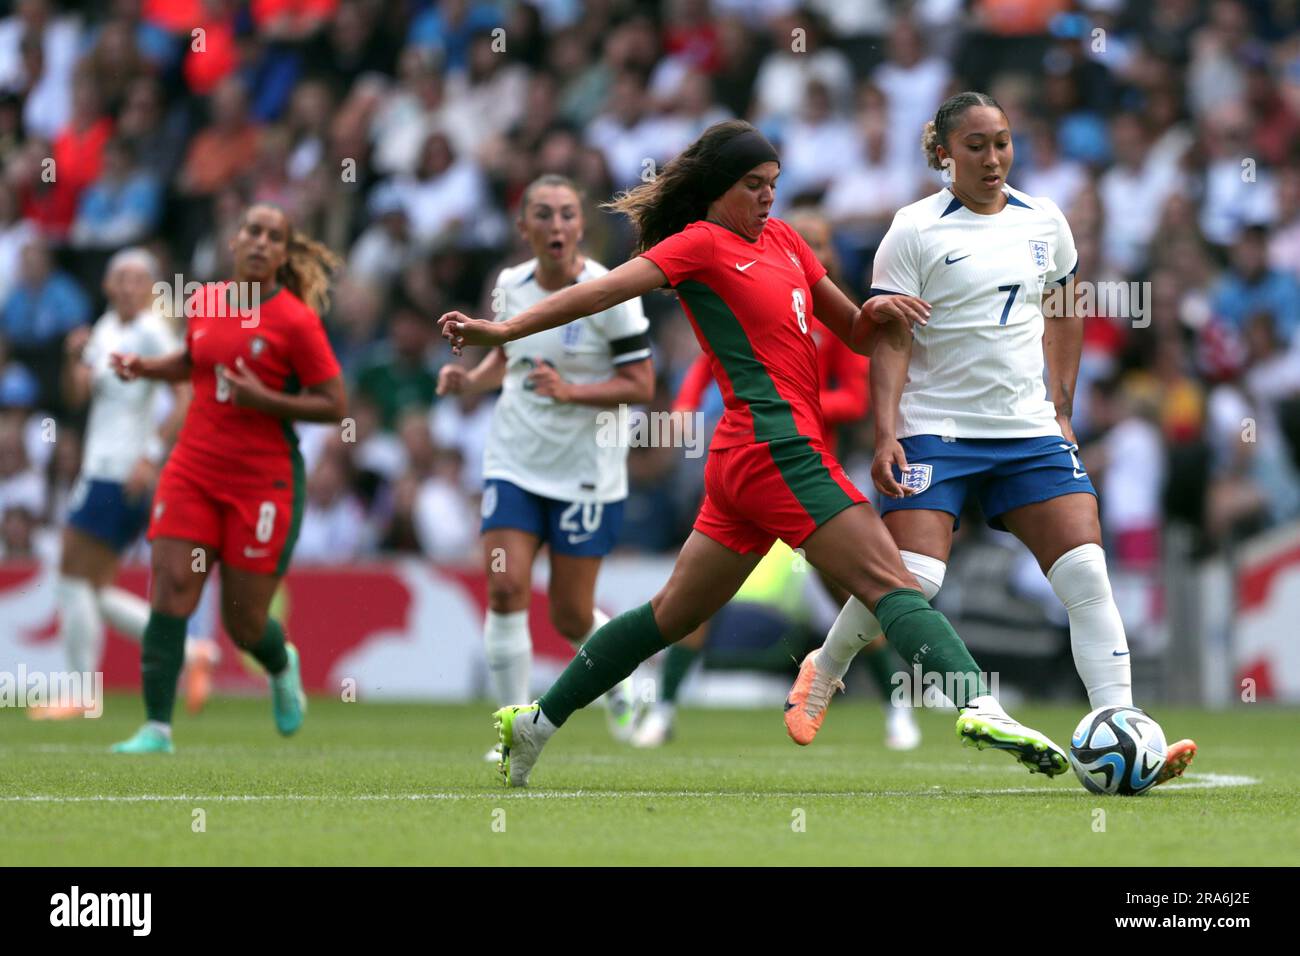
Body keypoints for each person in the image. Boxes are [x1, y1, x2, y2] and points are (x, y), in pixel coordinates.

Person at [441, 120, 1068, 787]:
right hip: (777, 449)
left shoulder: (787, 240)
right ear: (717, 188)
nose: (769, 198)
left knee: (669, 617)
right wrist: (503, 328)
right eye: (754, 186)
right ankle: (982, 705)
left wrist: (883, 309)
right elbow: (599, 290)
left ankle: (534, 723)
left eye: (774, 184)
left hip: (750, 457)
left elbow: (854, 332)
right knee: (891, 583)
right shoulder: (699, 245)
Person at [804, 92, 1196, 785]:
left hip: (1026, 430)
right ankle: (825, 667)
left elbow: (1065, 304)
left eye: (1003, 143)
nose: (993, 158)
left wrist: (1064, 407)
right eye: (977, 145)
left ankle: (1127, 732)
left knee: (1085, 575)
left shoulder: (1044, 220)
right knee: (916, 579)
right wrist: (886, 431)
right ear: (943, 154)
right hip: (937, 430)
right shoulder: (913, 230)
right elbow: (890, 340)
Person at [633, 207, 921, 751]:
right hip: (754, 475)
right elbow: (703, 363)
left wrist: (796, 405)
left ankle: (897, 712)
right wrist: (688, 404)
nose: (808, 249)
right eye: (803, 239)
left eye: (820, 242)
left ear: (828, 255)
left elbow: (856, 398)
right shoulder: (762, 301)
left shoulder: (836, 323)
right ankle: (663, 710)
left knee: (859, 599)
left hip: (813, 488)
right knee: (696, 604)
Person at [107, 204, 346, 753]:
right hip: (193, 467)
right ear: (235, 240)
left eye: (274, 236)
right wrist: (146, 368)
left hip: (262, 482)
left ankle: (281, 664)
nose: (261, 242)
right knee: (170, 590)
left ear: (284, 254)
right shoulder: (208, 300)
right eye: (252, 231)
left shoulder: (295, 320)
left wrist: (265, 400)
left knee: (244, 623)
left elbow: (335, 404)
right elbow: (195, 362)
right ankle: (156, 729)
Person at [437, 174, 654, 756]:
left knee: (569, 614)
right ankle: (510, 726)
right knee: (506, 589)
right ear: (523, 226)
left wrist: (569, 393)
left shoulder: (613, 293)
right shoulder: (510, 283)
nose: (555, 225)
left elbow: (642, 383)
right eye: (543, 214)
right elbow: (511, 360)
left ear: (581, 227)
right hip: (514, 459)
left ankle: (624, 681)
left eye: (565, 214)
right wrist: (470, 379)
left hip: (586, 470)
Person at [29, 248, 221, 720]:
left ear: (153, 289)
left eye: (139, 279)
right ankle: (192, 651)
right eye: (122, 278)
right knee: (92, 589)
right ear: (109, 286)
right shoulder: (104, 330)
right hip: (100, 468)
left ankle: (81, 691)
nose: (130, 286)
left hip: (121, 471)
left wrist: (151, 456)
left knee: (72, 578)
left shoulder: (153, 333)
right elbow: (77, 396)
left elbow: (187, 395)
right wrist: (74, 357)